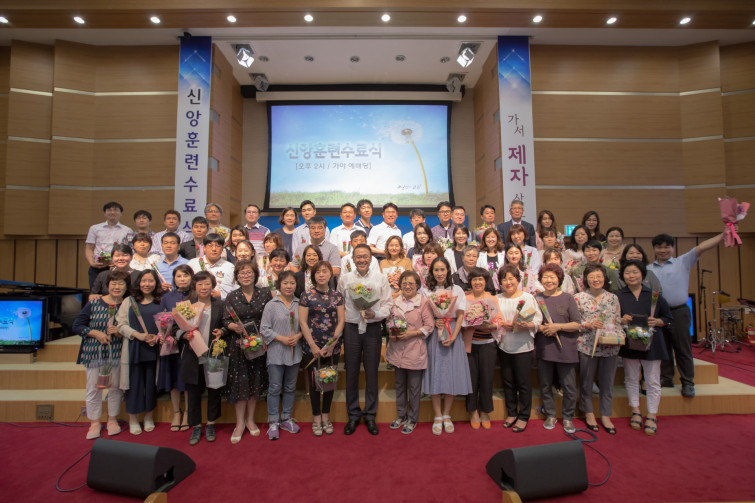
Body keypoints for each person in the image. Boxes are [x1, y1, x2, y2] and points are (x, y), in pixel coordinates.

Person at [648, 230, 727, 397]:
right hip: (658, 314)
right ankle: (666, 378)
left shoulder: (682, 262)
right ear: (654, 249)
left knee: (682, 348)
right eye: (659, 247)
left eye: (667, 247)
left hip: (679, 312)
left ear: (673, 248)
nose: (663, 250)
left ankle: (688, 382)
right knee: (663, 348)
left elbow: (702, 247)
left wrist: (724, 235)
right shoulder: (648, 269)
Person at [338, 244, 392, 435]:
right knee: (351, 372)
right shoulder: (345, 279)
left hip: (373, 329)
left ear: (371, 259)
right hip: (351, 328)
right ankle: (353, 415)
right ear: (353, 259)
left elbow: (388, 305)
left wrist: (375, 314)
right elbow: (339, 305)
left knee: (371, 372)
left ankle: (370, 415)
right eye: (358, 257)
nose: (362, 260)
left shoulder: (380, 278)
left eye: (365, 257)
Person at [617, 260, 673, 436]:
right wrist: (621, 320)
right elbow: (612, 319)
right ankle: (635, 410)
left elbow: (668, 317)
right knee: (631, 378)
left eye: (635, 272)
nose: (631, 276)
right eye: (627, 273)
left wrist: (658, 321)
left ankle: (652, 414)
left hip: (652, 342)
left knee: (653, 380)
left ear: (642, 274)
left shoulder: (654, 295)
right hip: (630, 342)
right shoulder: (618, 296)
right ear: (622, 276)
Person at [73, 270, 130, 440]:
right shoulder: (94, 303)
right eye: (114, 283)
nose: (117, 287)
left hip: (117, 353)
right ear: (108, 285)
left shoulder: (128, 305)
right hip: (94, 353)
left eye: (121, 284)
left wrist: (120, 331)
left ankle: (112, 420)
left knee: (115, 388)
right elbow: (77, 325)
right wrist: (94, 333)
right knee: (93, 388)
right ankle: (94, 422)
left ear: (126, 287)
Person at [173, 271, 227, 445]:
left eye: (207, 284)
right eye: (200, 284)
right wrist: (183, 335)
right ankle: (196, 426)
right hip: (192, 354)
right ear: (194, 287)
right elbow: (174, 328)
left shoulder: (220, 305)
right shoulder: (187, 306)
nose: (204, 287)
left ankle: (211, 424)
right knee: (193, 392)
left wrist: (222, 332)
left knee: (214, 390)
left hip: (214, 353)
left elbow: (227, 324)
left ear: (213, 286)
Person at [223, 260, 273, 443]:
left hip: (259, 345)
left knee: (255, 382)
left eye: (249, 272)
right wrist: (233, 326)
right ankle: (239, 423)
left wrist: (266, 338)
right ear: (237, 276)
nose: (245, 276)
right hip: (239, 346)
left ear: (255, 274)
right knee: (240, 384)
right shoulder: (232, 296)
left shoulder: (265, 294)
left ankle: (250, 420)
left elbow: (271, 317)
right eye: (242, 273)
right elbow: (225, 320)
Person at [421, 256, 471, 435]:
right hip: (434, 335)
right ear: (431, 272)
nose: (439, 273)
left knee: (451, 373)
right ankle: (437, 415)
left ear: (448, 270)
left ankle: (447, 414)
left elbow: (460, 315)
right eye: (436, 270)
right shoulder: (426, 290)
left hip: (453, 333)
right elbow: (424, 314)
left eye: (442, 269)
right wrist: (434, 322)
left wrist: (454, 336)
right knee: (435, 373)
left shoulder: (456, 289)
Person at [574, 264, 623, 434]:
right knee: (586, 381)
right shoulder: (578, 298)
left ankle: (606, 415)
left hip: (610, 346)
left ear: (604, 278)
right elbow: (575, 323)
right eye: (592, 277)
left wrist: (618, 336)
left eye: (599, 276)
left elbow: (617, 320)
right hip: (587, 345)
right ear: (585, 279)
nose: (596, 280)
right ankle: (588, 412)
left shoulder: (613, 298)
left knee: (607, 382)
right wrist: (588, 324)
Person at [299, 262, 345, 436]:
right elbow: (303, 322)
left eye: (324, 271)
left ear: (330, 274)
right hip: (312, 347)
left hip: (331, 347)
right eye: (317, 272)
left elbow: (341, 321)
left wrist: (332, 344)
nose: (321, 275)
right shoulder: (306, 296)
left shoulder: (337, 296)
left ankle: (326, 416)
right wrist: (312, 345)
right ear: (313, 275)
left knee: (329, 381)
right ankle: (316, 418)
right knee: (314, 383)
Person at [386, 270, 434, 434]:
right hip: (397, 350)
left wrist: (411, 334)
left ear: (418, 286)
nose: (407, 286)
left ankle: (413, 418)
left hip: (415, 350)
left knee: (414, 388)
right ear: (400, 285)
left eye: (411, 283)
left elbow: (429, 326)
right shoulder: (394, 302)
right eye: (404, 283)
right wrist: (392, 332)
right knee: (399, 385)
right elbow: (389, 321)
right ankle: (401, 415)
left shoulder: (424, 303)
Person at [495, 264, 542, 433]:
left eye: (511, 278)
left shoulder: (527, 298)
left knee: (523, 382)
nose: (508, 282)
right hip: (504, 345)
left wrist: (524, 325)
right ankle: (512, 412)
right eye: (504, 279)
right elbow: (494, 318)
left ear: (518, 279)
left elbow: (537, 319)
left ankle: (523, 415)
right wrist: (501, 324)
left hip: (523, 345)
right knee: (508, 381)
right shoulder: (497, 298)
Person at [535, 264, 581, 433]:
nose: (549, 280)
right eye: (545, 277)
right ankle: (551, 414)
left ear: (559, 279)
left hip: (566, 349)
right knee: (545, 384)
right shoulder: (536, 299)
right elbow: (533, 323)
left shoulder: (568, 298)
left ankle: (568, 417)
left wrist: (558, 327)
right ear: (541, 280)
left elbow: (577, 324)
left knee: (569, 386)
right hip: (544, 348)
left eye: (552, 277)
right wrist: (543, 328)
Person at [116, 269, 162, 435]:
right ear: (138, 283)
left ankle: (149, 416)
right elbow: (120, 324)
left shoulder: (160, 301)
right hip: (134, 347)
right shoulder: (129, 301)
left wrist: (158, 337)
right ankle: (133, 418)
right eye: (144, 281)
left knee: (150, 385)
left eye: (151, 281)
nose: (147, 284)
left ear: (156, 283)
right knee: (133, 385)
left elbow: (167, 323)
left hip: (153, 348)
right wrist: (138, 335)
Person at [262, 270, 303, 440]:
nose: (289, 286)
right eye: (285, 283)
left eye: (292, 283)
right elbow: (264, 329)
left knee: (290, 387)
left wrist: (298, 336)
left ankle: (286, 418)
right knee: (274, 387)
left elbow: (305, 327)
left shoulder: (300, 304)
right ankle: (273, 421)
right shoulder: (271, 305)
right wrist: (282, 339)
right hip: (276, 352)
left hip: (294, 353)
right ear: (279, 285)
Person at [461, 267, 498, 430]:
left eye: (480, 279)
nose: (477, 282)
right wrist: (468, 321)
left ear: (486, 281)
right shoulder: (464, 298)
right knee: (471, 379)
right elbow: (459, 319)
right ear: (470, 282)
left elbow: (499, 319)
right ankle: (473, 411)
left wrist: (490, 325)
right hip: (470, 345)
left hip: (488, 344)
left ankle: (485, 411)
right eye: (474, 279)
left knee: (486, 379)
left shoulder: (491, 298)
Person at [158, 264, 194, 432]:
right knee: (173, 379)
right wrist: (165, 334)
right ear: (174, 279)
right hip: (172, 343)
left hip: (189, 342)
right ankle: (176, 412)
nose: (182, 279)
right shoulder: (167, 297)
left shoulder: (195, 296)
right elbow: (162, 319)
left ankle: (187, 412)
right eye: (179, 276)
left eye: (186, 276)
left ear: (191, 277)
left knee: (186, 379)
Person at [85, 201, 132, 289]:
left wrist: (119, 263)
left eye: (115, 210)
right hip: (97, 267)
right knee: (96, 291)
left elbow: (130, 250)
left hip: (118, 267)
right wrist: (92, 262)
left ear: (121, 213)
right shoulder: (94, 228)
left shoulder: (127, 230)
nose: (112, 212)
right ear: (105, 213)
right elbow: (89, 248)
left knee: (117, 290)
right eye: (109, 210)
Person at [187, 234, 236, 300]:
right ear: (204, 248)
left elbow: (234, 288)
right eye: (210, 246)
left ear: (222, 249)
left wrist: (221, 294)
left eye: (218, 246)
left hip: (220, 303)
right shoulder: (193, 263)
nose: (214, 249)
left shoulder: (229, 267)